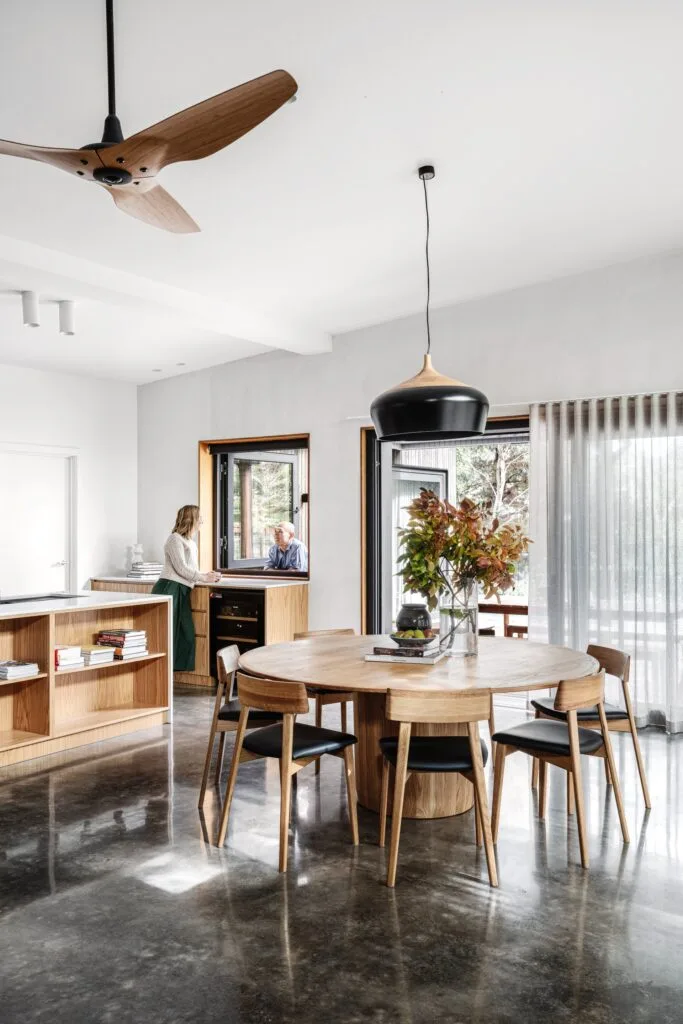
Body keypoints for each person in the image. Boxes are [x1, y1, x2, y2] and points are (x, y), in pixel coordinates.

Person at [152, 505, 221, 671]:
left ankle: (171, 673)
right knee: (166, 634)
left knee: (186, 635)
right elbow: (181, 568)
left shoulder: (190, 542)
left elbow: (189, 569)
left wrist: (205, 575)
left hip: (183, 589)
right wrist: (204, 577)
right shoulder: (174, 539)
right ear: (191, 520)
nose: (202, 521)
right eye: (200, 518)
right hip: (170, 588)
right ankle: (161, 673)